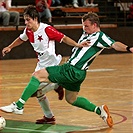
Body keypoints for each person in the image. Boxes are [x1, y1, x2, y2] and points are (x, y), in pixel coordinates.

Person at [1, 11, 133, 128]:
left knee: (37, 75)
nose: (84, 28)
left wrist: (128, 48)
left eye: (86, 26)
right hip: (78, 73)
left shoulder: (100, 37)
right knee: (71, 99)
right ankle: (99, 110)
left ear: (95, 25)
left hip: (71, 70)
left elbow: (115, 44)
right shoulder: (86, 33)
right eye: (83, 25)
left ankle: (19, 105)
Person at [0, 5, 88, 124]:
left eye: (28, 20)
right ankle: (49, 116)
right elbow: (21, 39)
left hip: (53, 65)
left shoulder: (47, 29)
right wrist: (10, 47)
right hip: (41, 65)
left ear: (35, 18)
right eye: (24, 20)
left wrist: (77, 45)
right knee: (37, 93)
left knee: (35, 88)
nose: (25, 22)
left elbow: (64, 38)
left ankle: (19, 105)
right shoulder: (28, 31)